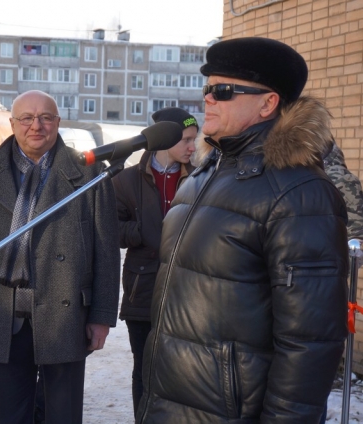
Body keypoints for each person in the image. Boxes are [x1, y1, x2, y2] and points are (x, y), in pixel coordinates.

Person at [136, 37, 349, 423]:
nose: (208, 99)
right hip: (169, 404)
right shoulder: (201, 176)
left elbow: (310, 342)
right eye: (207, 89)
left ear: (268, 103)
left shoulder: (300, 193)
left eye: (223, 91)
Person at [0, 90, 120, 423]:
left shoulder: (89, 174)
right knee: (13, 414)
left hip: (66, 316)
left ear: (58, 123)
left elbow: (106, 250)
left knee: (63, 414)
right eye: (27, 118)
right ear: (13, 124)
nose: (37, 126)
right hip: (5, 314)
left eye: (46, 117)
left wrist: (101, 315)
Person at [112, 107, 197, 419]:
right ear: (164, 139)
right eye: (186, 139)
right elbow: (110, 227)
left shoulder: (201, 178)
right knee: (145, 371)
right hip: (142, 289)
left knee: (182, 372)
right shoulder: (126, 180)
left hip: (188, 292)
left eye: (194, 139)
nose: (192, 147)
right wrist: (141, 231)